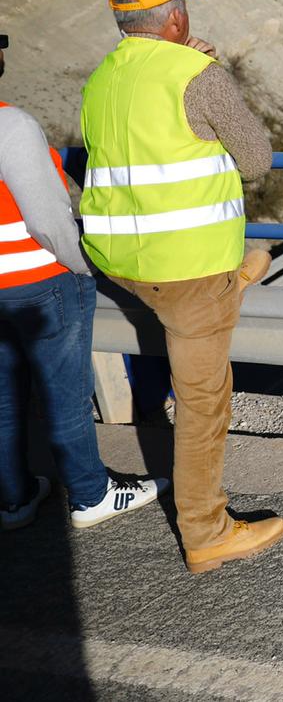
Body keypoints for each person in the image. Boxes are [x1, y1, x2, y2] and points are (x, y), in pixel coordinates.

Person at [80, 0, 283, 573]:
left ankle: (233, 283)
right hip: (187, 271)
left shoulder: (101, 78)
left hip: (120, 261)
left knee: (198, 308)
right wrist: (205, 71)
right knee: (203, 402)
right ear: (176, 18)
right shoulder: (198, 74)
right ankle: (206, 532)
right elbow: (256, 161)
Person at [0, 33, 168, 531]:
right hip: (39, 281)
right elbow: (48, 220)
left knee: (4, 399)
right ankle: (91, 495)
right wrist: (84, 266)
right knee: (65, 396)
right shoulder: (11, 126)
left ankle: (14, 499)